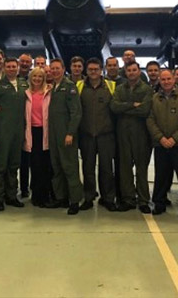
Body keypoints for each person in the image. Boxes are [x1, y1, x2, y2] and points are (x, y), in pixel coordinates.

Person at [147, 69, 178, 218]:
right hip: (161, 145)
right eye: (163, 79)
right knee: (161, 176)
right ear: (160, 81)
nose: (166, 82)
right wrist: (160, 138)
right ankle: (159, 203)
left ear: (174, 80)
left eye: (169, 79)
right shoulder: (154, 98)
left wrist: (174, 139)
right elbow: (150, 120)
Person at [110, 61, 153, 213]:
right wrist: (132, 104)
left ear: (138, 71)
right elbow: (114, 107)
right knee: (125, 168)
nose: (132, 73)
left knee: (142, 168)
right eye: (129, 70)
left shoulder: (147, 89)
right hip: (123, 133)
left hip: (141, 133)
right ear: (125, 72)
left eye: (134, 70)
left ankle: (143, 200)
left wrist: (125, 108)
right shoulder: (120, 88)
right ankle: (128, 199)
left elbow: (145, 110)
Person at [0, 58, 29, 211]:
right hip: (2, 132)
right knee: (0, 166)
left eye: (14, 66)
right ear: (4, 68)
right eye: (9, 66)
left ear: (18, 68)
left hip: (19, 132)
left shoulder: (25, 84)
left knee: (14, 165)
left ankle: (11, 195)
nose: (11, 69)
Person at [77, 58, 117, 211]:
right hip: (86, 135)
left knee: (107, 168)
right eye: (90, 69)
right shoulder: (79, 86)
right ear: (86, 71)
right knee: (88, 168)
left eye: (96, 69)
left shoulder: (111, 86)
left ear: (102, 70)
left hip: (106, 135)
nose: (93, 72)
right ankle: (88, 197)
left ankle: (108, 198)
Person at [48, 58, 84, 215]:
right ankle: (61, 197)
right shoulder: (53, 88)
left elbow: (76, 112)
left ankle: (74, 201)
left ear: (63, 69)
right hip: (53, 135)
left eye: (57, 68)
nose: (55, 71)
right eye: (52, 69)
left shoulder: (69, 87)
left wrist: (70, 133)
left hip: (66, 135)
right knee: (57, 167)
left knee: (69, 167)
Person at [24, 67, 53, 207]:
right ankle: (36, 195)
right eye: (34, 76)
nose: (37, 79)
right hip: (32, 132)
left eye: (40, 77)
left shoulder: (50, 92)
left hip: (46, 132)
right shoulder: (25, 94)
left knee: (46, 165)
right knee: (35, 165)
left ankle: (46, 195)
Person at [17, 53, 34, 195]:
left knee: (34, 160)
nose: (24, 64)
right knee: (23, 160)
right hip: (18, 125)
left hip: (34, 125)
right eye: (22, 61)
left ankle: (33, 186)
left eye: (27, 62)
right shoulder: (13, 79)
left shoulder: (33, 80)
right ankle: (23, 188)